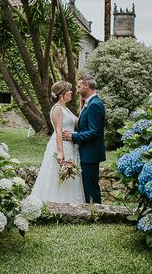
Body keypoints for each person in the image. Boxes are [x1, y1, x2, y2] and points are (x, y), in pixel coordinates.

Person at [30, 81, 85, 203]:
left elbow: (79, 122)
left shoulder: (66, 109)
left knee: (70, 173)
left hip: (70, 145)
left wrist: (82, 106)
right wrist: (60, 152)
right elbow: (59, 131)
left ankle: (71, 203)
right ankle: (56, 202)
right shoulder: (57, 109)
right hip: (61, 145)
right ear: (61, 94)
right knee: (57, 173)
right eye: (69, 90)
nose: (71, 92)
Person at [62, 74, 105, 204]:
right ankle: (92, 209)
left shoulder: (94, 105)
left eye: (79, 86)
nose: (77, 89)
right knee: (88, 185)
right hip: (87, 152)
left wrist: (73, 136)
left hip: (90, 153)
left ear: (86, 86)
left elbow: (94, 132)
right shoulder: (89, 103)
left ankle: (96, 211)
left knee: (91, 186)